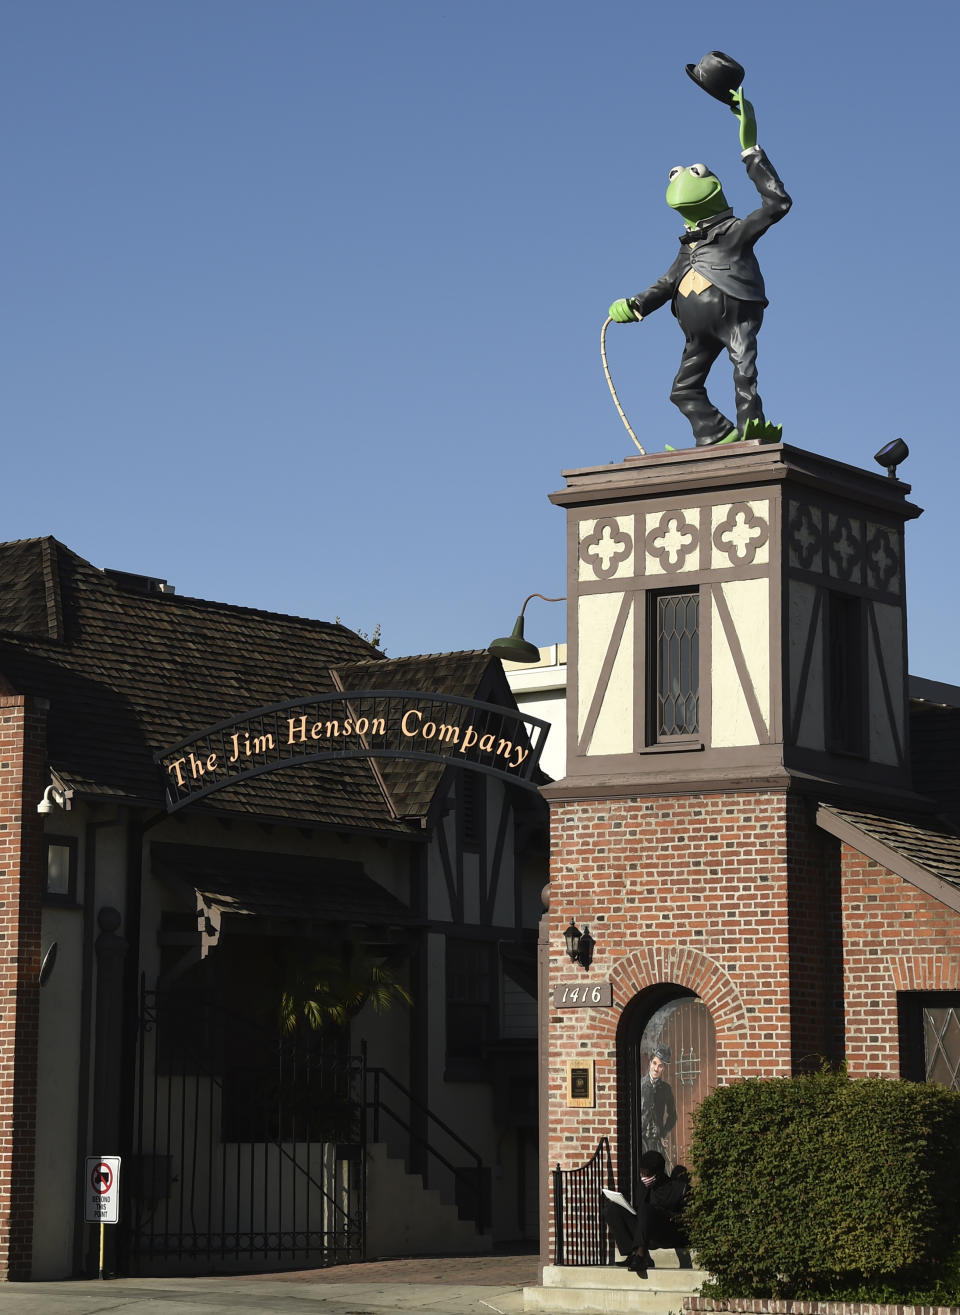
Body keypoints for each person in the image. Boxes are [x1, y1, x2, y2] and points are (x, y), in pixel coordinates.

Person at [607, 88, 791, 448]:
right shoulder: (686, 249)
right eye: (675, 174)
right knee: (683, 389)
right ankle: (716, 435)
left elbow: (776, 204)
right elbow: (665, 284)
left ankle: (752, 429)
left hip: (736, 310)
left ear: (715, 186)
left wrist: (751, 149)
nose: (679, 179)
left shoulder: (735, 232)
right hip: (696, 331)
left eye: (692, 173)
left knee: (743, 371)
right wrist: (634, 304)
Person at [602, 1150, 690, 1278]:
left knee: (646, 1209)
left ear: (658, 1174)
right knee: (612, 1209)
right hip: (644, 1232)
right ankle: (632, 1254)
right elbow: (639, 1211)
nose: (643, 1177)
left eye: (646, 1174)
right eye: (641, 1173)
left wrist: (664, 1213)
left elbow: (686, 1219)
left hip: (665, 1233)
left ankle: (641, 1256)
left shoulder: (678, 1189)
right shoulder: (642, 1186)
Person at [640, 1044, 677, 1163]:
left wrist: (663, 1134)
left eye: (660, 1066)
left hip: (656, 1141)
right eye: (655, 1063)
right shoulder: (638, 1085)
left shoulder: (666, 1089)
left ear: (664, 1068)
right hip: (639, 1140)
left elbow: (673, 1116)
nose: (656, 1069)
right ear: (650, 1062)